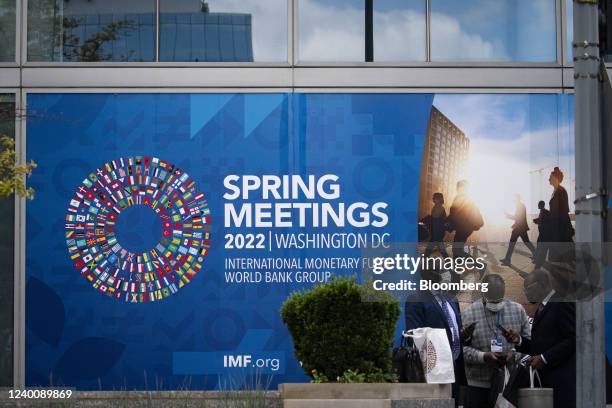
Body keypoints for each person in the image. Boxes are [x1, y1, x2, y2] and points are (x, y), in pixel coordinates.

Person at [503, 269, 576, 408]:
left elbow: (574, 339)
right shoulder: (541, 307)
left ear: (542, 285)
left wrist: (544, 358)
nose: (526, 293)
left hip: (562, 384)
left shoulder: (561, 303)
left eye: (528, 289)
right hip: (545, 383)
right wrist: (519, 340)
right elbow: (540, 345)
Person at [461, 274, 531, 408]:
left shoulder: (518, 310)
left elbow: (530, 345)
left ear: (504, 291)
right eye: (492, 301)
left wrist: (515, 351)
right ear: (482, 291)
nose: (496, 304)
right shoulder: (469, 313)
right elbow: (461, 351)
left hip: (510, 384)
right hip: (478, 385)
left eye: (499, 300)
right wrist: (484, 356)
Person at [405, 268, 469, 406]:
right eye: (435, 271)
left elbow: (455, 329)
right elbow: (413, 336)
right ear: (424, 275)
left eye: (440, 270)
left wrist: (463, 335)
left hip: (456, 367)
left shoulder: (452, 299)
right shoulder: (415, 299)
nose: (441, 274)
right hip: (435, 371)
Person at [448, 180, 484, 258]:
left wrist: (448, 222)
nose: (457, 189)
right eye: (457, 187)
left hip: (464, 228)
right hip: (465, 228)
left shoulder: (462, 198)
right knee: (457, 250)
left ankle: (478, 265)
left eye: (459, 187)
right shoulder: (466, 197)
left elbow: (455, 212)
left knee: (457, 250)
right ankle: (457, 266)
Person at [501, 194, 536, 265]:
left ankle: (507, 260)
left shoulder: (520, 206)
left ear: (516, 199)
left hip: (519, 228)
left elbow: (517, 217)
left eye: (513, 198)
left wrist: (508, 215)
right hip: (520, 227)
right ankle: (536, 255)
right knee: (526, 242)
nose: (513, 200)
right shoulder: (520, 206)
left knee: (513, 243)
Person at [548, 167, 574, 261]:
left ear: (555, 178)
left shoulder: (560, 191)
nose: (549, 179)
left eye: (550, 177)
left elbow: (562, 211)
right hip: (558, 224)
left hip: (561, 225)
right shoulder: (556, 191)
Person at [423, 192, 449, 258]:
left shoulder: (439, 207)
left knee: (431, 251)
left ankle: (424, 262)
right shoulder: (438, 207)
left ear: (439, 199)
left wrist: (428, 218)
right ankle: (449, 265)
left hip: (437, 233)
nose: (433, 199)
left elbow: (435, 218)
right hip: (436, 233)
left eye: (434, 198)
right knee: (441, 251)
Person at [533, 200, 551, 267]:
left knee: (541, 246)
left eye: (539, 204)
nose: (538, 205)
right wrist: (537, 220)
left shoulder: (544, 212)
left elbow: (544, 221)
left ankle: (537, 260)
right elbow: (542, 220)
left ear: (542, 205)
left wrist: (537, 221)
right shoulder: (543, 211)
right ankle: (537, 259)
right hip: (543, 232)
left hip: (544, 233)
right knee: (541, 246)